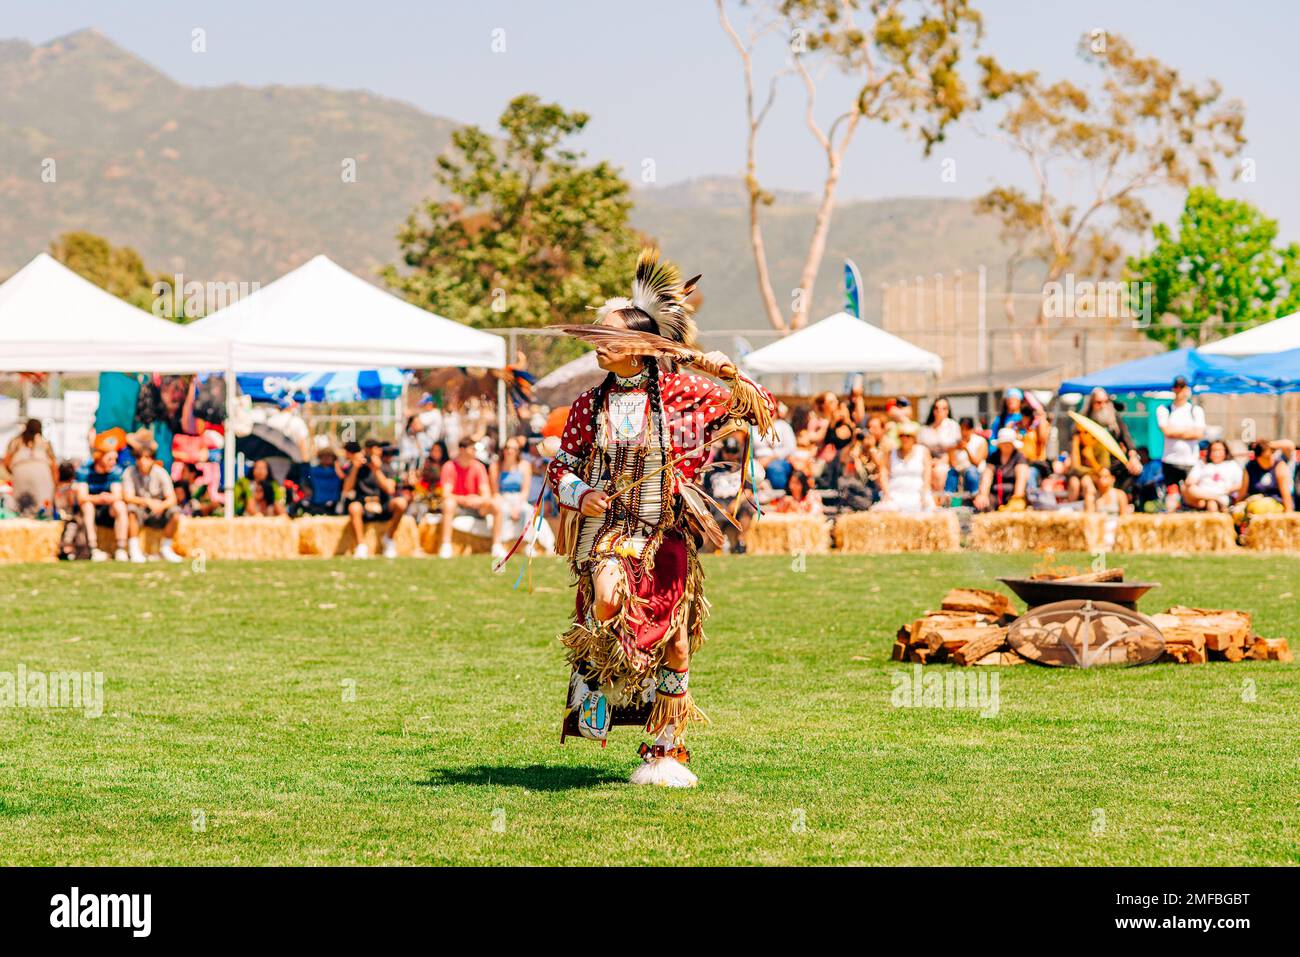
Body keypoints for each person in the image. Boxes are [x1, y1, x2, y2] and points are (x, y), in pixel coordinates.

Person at [543, 248, 776, 787]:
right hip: (609, 532)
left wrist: (709, 364)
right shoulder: (587, 405)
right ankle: (594, 673)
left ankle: (665, 749)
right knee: (605, 594)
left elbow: (761, 406)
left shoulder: (680, 392)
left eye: (607, 337)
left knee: (676, 641)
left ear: (640, 347)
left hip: (666, 531)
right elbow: (561, 465)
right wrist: (580, 493)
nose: (598, 346)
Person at [1068, 388, 1141, 501]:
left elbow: (1127, 439)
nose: (1103, 405)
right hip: (1094, 467)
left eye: (1106, 402)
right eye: (1098, 402)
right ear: (1091, 404)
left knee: (1135, 471)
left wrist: (1133, 457)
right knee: (1087, 483)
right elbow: (1076, 455)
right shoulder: (1084, 425)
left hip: (1114, 465)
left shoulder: (1114, 418)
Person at [438, 437, 503, 559]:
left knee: (496, 505)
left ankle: (497, 545)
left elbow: (486, 494)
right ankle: (445, 545)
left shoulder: (479, 467)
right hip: (458, 506)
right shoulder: (449, 466)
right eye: (472, 448)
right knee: (448, 503)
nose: (475, 451)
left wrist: (478, 500)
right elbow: (446, 494)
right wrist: (465, 499)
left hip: (476, 507)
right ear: (462, 450)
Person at [342, 439, 409, 558]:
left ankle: (388, 538)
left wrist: (376, 470)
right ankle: (361, 546)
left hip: (382, 506)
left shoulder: (386, 468)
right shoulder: (357, 468)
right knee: (353, 507)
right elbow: (346, 490)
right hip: (364, 505)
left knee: (401, 503)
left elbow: (390, 489)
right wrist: (355, 468)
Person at [120, 440, 182, 563]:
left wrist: (161, 506)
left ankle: (165, 548)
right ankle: (134, 549)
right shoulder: (129, 472)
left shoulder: (161, 472)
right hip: (140, 509)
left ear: (153, 459)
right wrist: (147, 502)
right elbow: (127, 497)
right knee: (131, 510)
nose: (143, 461)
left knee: (175, 512)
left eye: (147, 458)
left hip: (158, 511)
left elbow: (172, 498)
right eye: (139, 458)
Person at [74, 439, 128, 562]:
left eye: (115, 459)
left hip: (107, 511)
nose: (113, 462)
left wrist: (108, 498)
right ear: (100, 458)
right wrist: (98, 498)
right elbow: (81, 497)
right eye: (110, 459)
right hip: (90, 510)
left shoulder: (116, 471)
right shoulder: (85, 471)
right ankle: (93, 549)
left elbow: (118, 495)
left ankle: (121, 548)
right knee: (87, 506)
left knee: (120, 505)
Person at [1230, 441, 1295, 541]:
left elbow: (1285, 493)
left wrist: (1289, 515)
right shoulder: (1250, 467)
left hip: (1275, 502)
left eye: (1271, 455)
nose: (1270, 458)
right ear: (1258, 458)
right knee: (1238, 511)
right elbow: (1242, 492)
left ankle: (1252, 537)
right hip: (1252, 500)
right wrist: (1237, 506)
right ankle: (1240, 536)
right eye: (1267, 456)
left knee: (1258, 507)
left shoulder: (1279, 466)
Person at [1156, 376, 1205, 490]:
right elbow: (1167, 431)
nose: (1179, 390)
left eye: (1182, 387)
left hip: (1191, 461)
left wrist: (1175, 431)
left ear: (1187, 389)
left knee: (1190, 491)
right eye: (1176, 387)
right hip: (1170, 460)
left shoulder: (1195, 410)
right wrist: (1188, 431)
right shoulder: (1164, 409)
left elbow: (1198, 434)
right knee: (1172, 495)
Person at [872, 420, 933, 512]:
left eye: (908, 436)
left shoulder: (923, 451)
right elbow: (883, 473)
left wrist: (924, 493)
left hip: (918, 494)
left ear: (914, 438)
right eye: (901, 435)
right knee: (885, 509)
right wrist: (886, 493)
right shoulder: (890, 453)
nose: (904, 438)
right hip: (895, 494)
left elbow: (927, 475)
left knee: (928, 508)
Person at [3, 419, 58, 517]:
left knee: (22, 508)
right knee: (42, 507)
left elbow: (6, 461)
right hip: (42, 473)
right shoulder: (44, 442)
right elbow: (53, 465)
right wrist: (55, 483)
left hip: (20, 472)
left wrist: (13, 473)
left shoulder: (16, 441)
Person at [975, 427, 1031, 512]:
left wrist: (1017, 497)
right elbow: (987, 476)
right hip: (995, 494)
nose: (1006, 445)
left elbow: (1021, 478)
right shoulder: (993, 457)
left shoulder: (1019, 457)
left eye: (1008, 443)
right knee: (984, 505)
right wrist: (983, 494)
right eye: (1004, 443)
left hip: (1012, 495)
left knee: (1016, 508)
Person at [490, 437, 534, 534]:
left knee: (528, 510)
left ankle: (526, 543)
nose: (509, 451)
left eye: (513, 448)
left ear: (518, 451)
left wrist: (517, 506)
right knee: (503, 511)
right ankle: (503, 542)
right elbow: (495, 492)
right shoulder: (495, 466)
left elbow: (525, 491)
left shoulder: (525, 465)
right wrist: (509, 507)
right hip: (502, 497)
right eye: (507, 448)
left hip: (519, 498)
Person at [919, 397, 960, 500]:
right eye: (937, 408)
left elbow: (953, 449)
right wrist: (929, 461)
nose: (939, 411)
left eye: (944, 408)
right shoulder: (926, 429)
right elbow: (922, 448)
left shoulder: (952, 426)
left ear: (948, 410)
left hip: (948, 461)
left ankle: (938, 501)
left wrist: (940, 461)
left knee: (938, 471)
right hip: (927, 460)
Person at [1184, 440, 1240, 512]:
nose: (1216, 453)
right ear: (1209, 452)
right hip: (1202, 495)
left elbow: (1239, 483)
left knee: (1212, 504)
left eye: (1219, 450)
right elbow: (1190, 481)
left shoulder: (1232, 464)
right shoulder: (1202, 464)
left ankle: (1215, 517)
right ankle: (1216, 498)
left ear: (1225, 452)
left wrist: (1229, 489)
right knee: (1189, 488)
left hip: (1222, 494)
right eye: (1214, 450)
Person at [944, 416, 987, 500]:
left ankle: (975, 497)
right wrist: (955, 449)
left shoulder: (981, 441)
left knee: (971, 472)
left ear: (972, 429)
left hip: (975, 471)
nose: (964, 432)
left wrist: (966, 449)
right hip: (960, 471)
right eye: (962, 429)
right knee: (951, 473)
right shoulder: (955, 443)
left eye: (967, 429)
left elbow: (977, 463)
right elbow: (952, 463)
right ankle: (948, 498)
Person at [302, 445, 347, 515]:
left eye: (329, 456)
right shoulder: (313, 470)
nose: (326, 458)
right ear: (320, 457)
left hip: (333, 503)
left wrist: (337, 466)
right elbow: (305, 479)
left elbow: (344, 480)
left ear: (333, 458)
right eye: (324, 456)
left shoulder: (338, 470)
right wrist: (306, 487)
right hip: (317, 501)